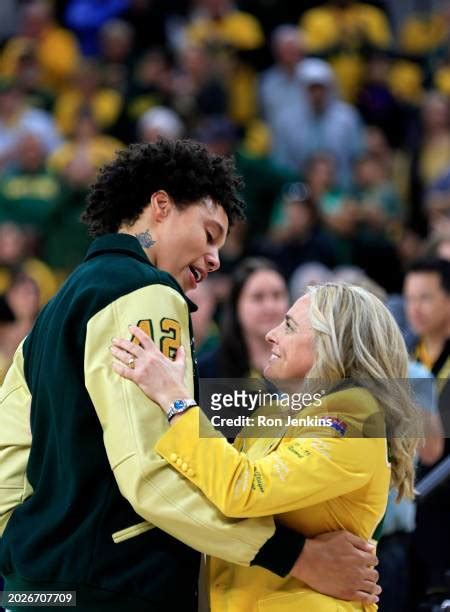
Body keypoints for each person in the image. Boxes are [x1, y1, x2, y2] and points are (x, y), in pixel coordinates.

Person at [0, 140, 380, 610]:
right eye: (210, 232)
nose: (217, 257)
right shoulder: (148, 292)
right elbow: (152, 475)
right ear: (161, 207)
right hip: (119, 584)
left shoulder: (54, 309)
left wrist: (25, 566)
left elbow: (9, 461)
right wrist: (294, 557)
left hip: (37, 588)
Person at [111, 282, 419, 611]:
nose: (271, 334)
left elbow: (242, 488)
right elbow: (213, 490)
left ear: (331, 343)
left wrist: (175, 400)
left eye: (289, 326)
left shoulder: (356, 417)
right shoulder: (273, 412)